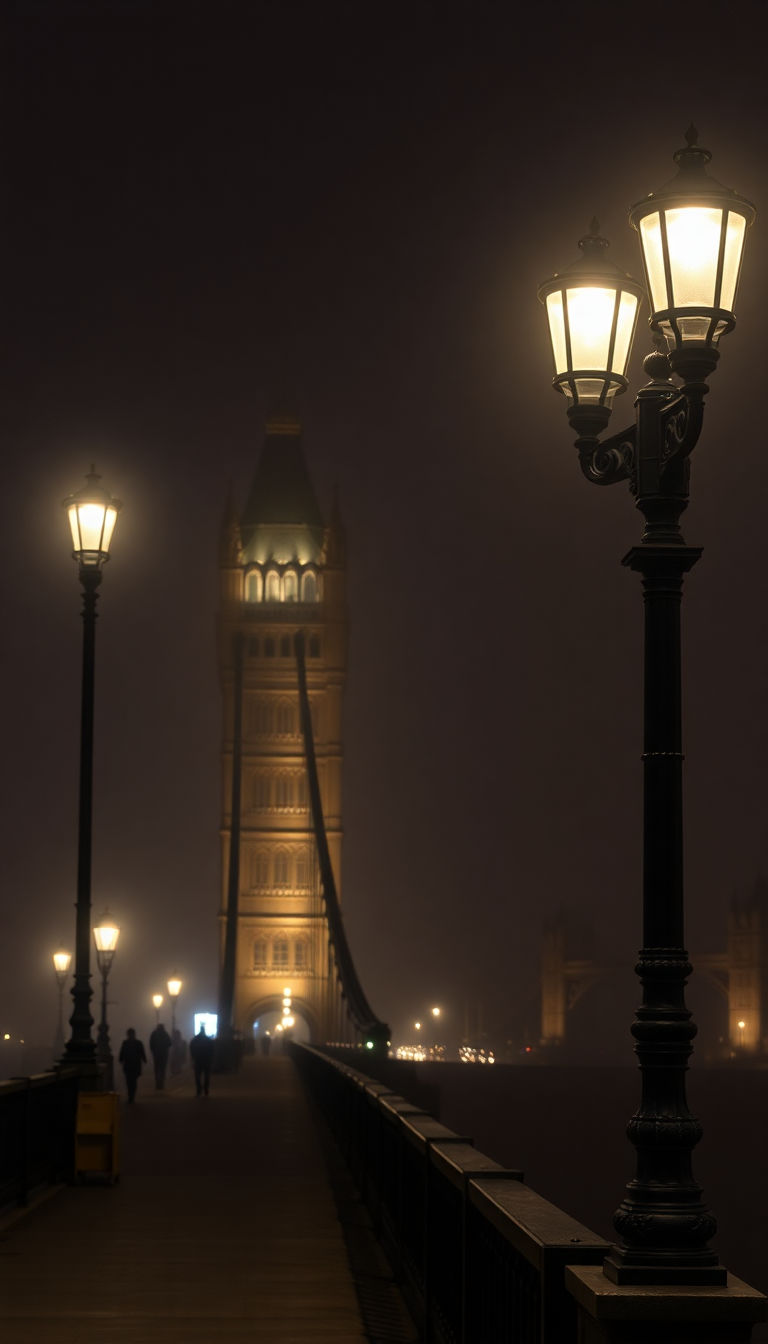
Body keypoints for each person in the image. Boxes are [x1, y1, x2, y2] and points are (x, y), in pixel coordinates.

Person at [118, 1028, 147, 1103]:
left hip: (128, 1064)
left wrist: (121, 1060)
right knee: (134, 1081)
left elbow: (122, 1052)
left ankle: (130, 1095)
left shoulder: (125, 1043)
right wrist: (144, 1059)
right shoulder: (138, 1043)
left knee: (128, 1081)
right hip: (136, 1064)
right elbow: (142, 1052)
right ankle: (132, 1095)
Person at [190, 1025, 216, 1096]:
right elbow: (212, 1050)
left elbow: (192, 1049)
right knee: (206, 1075)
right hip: (206, 1060)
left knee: (197, 1075)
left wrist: (192, 1058)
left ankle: (199, 1089)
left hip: (198, 1060)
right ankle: (206, 1089)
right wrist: (211, 1059)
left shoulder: (195, 1040)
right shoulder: (208, 1040)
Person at [149, 1021, 172, 1089]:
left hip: (156, 1054)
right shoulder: (165, 1034)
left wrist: (153, 1050)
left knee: (156, 1069)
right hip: (164, 1054)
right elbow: (170, 1043)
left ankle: (157, 1083)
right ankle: (161, 1083)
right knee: (162, 1069)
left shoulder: (154, 1034)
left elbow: (151, 1044)